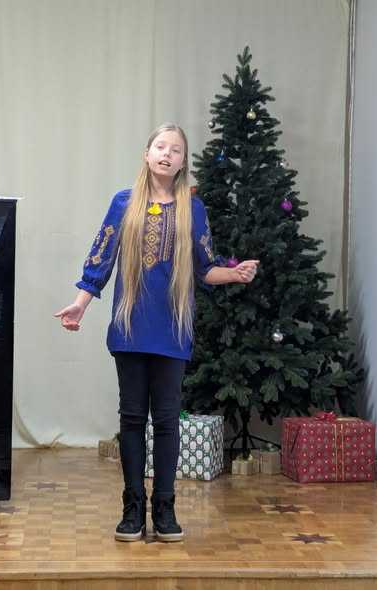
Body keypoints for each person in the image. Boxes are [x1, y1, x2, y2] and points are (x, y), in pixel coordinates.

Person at [55, 123, 259, 543]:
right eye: (160, 147)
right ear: (147, 154)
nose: (167, 154)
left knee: (166, 420)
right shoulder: (124, 202)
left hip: (172, 329)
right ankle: (132, 508)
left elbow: (205, 268)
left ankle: (164, 507)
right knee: (132, 418)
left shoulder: (192, 209)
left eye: (176, 150)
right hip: (130, 326)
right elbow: (100, 260)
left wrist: (235, 274)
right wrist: (79, 304)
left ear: (183, 162)